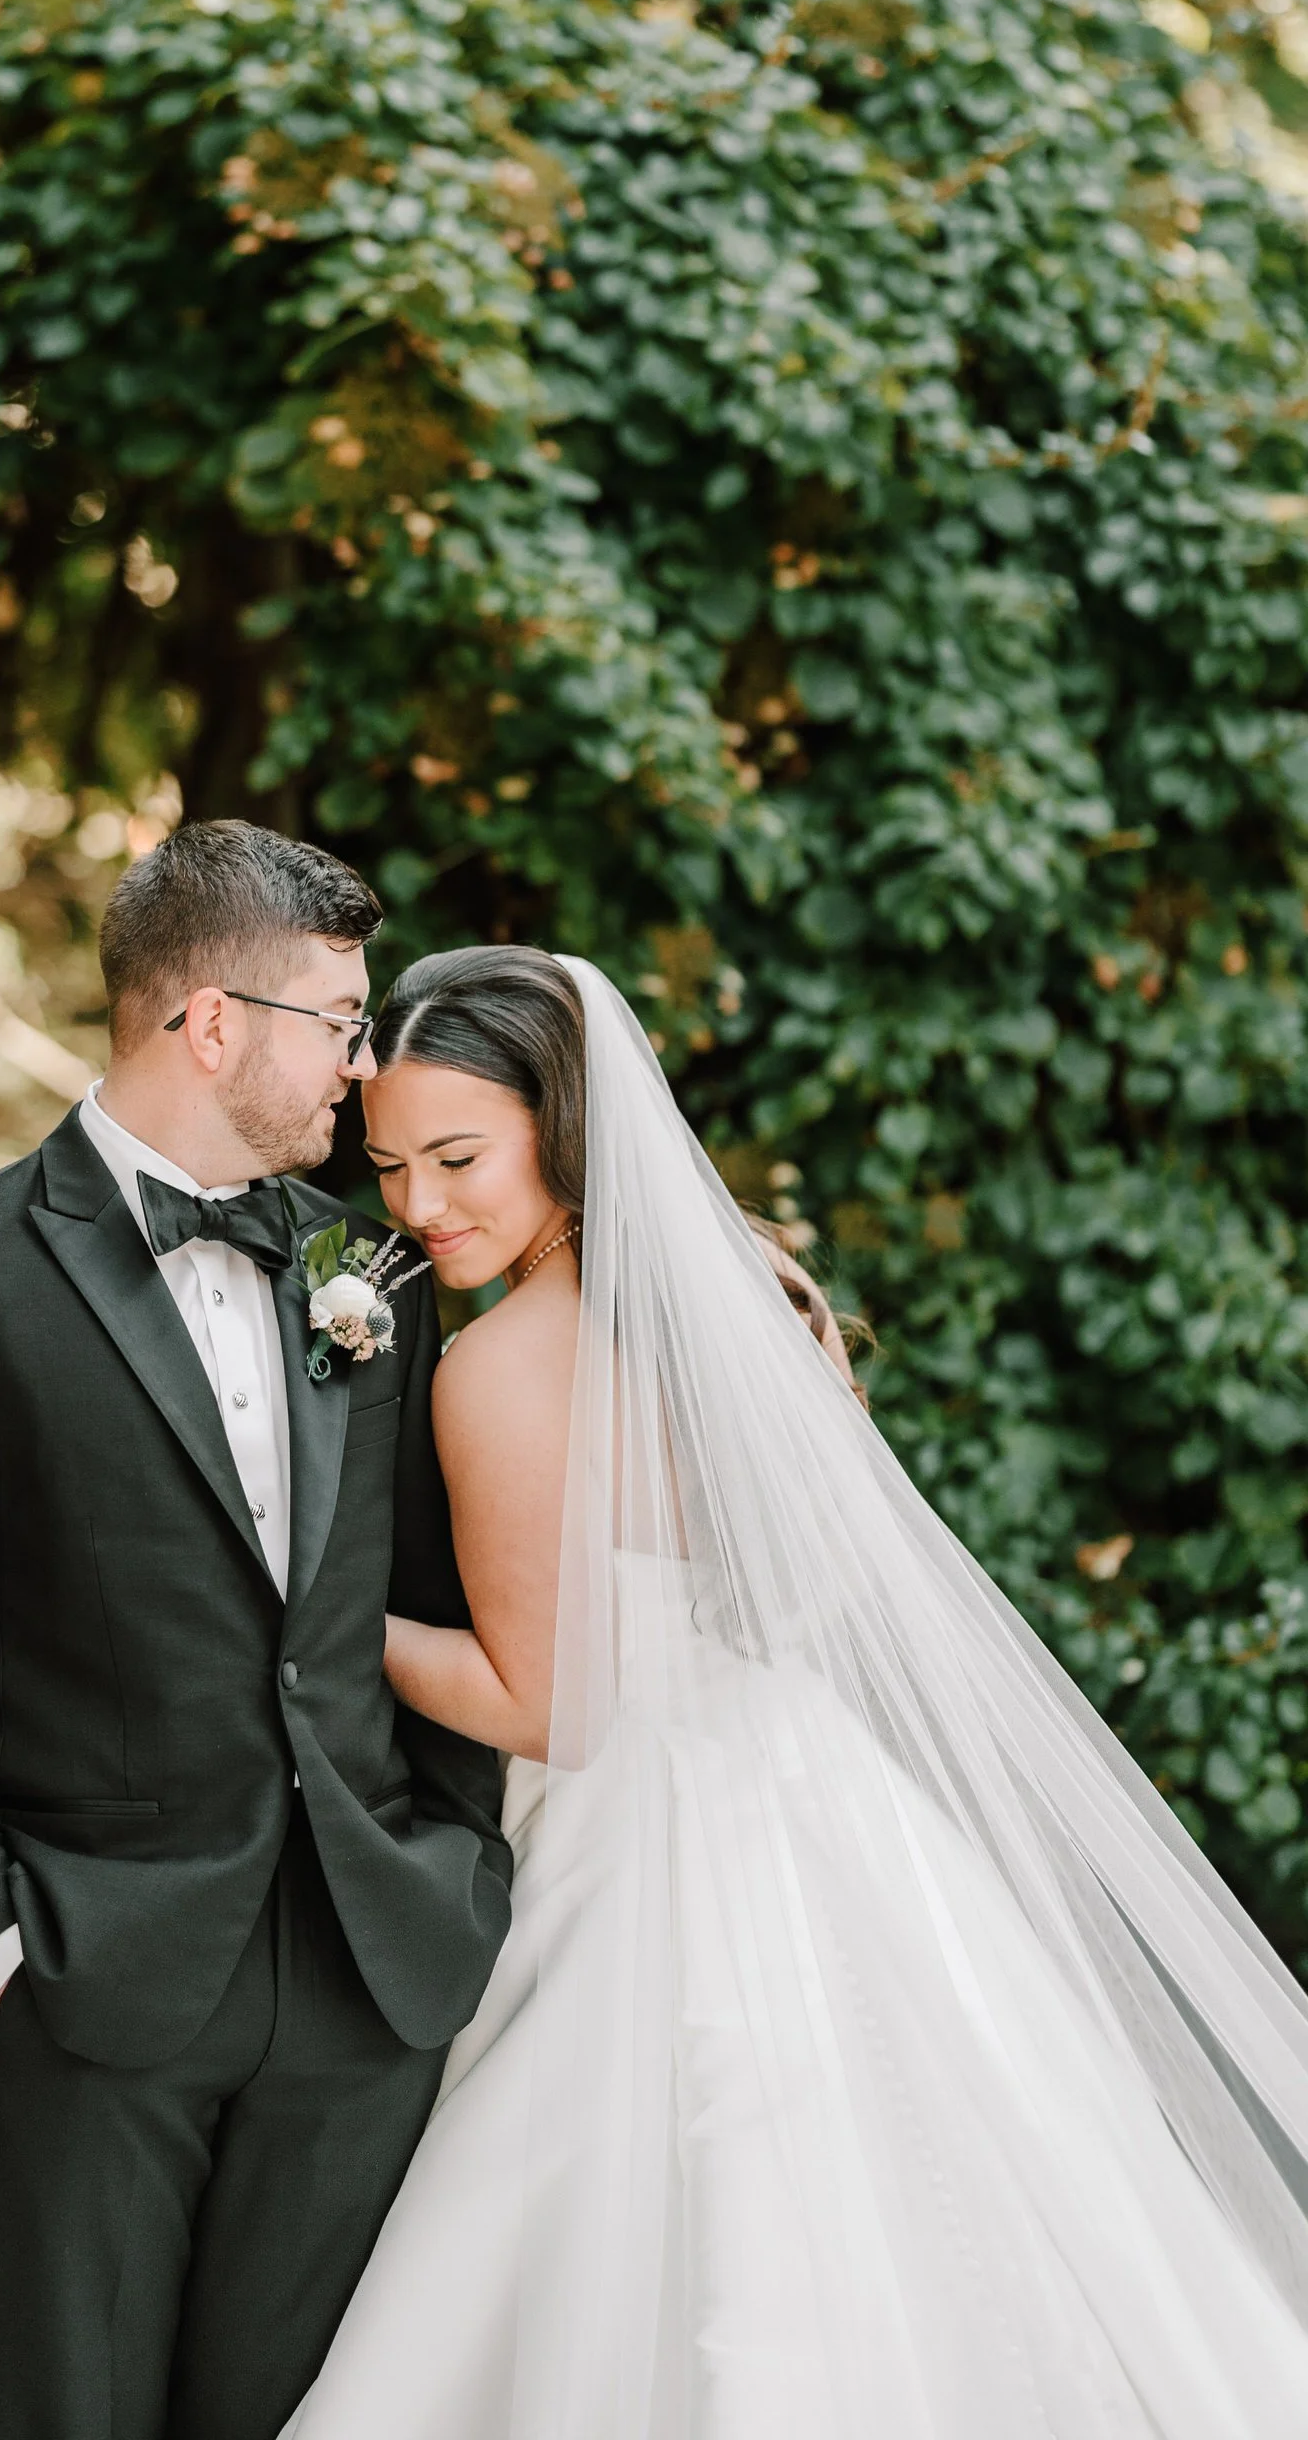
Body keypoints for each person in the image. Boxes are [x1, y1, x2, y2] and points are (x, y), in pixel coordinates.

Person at [284, 944, 1308, 2440]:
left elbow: (546, 1707)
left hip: (640, 1838)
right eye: (390, 1168)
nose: (420, 1208)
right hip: (811, 1792)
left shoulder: (495, 1365)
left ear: (564, 1128)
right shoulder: (755, 1298)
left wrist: (320, 1617)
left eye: (457, 1157)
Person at [0, 824, 511, 2440]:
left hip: (359, 1988)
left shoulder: (361, 1272)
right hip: (82, 1989)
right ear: (211, 1023)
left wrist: (452, 1857)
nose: (362, 1062)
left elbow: (437, 1596)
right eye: (338, 1019)